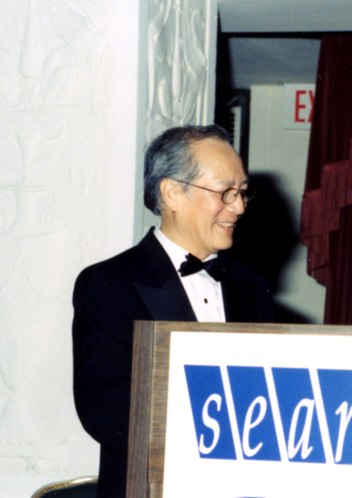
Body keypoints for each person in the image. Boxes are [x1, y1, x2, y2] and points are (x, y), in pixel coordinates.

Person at [72, 125, 273, 498]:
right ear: (171, 192)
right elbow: (105, 408)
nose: (240, 206)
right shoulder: (108, 283)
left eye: (243, 192)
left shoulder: (251, 286)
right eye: (226, 192)